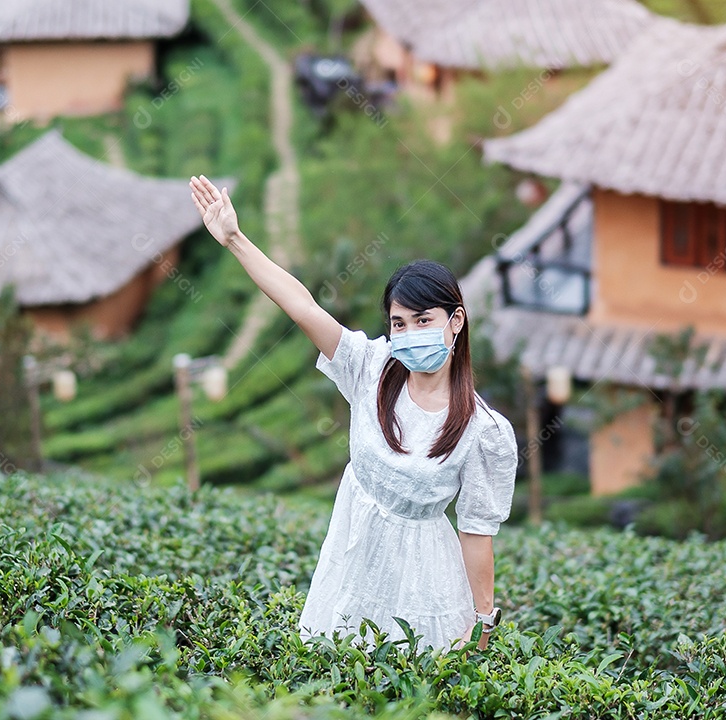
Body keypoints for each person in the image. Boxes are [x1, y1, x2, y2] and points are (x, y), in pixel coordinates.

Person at [189, 174, 517, 653]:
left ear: (456, 320)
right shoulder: (371, 368)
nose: (410, 334)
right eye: (399, 323)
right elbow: (302, 307)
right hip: (350, 562)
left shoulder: (482, 430)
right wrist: (235, 239)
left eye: (424, 320)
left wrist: (483, 621)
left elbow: (476, 531)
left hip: (424, 585)